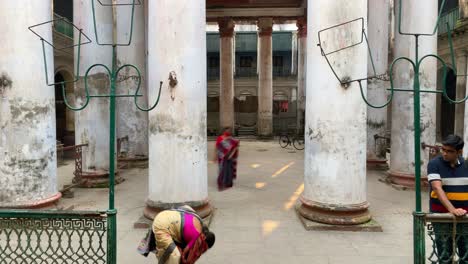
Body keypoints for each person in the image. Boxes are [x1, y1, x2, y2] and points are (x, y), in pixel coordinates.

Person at [428, 134, 468, 263]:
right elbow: (437, 188)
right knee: (445, 254)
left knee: (466, 254)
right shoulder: (434, 164)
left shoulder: (466, 165)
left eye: (449, 151)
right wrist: (453, 210)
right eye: (443, 150)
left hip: (465, 216)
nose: (444, 154)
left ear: (459, 152)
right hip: (441, 216)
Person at [214, 127, 239, 191]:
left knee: (229, 170)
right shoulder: (220, 138)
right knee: (222, 170)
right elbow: (217, 148)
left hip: (229, 157)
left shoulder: (231, 139)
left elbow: (236, 147)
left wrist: (231, 155)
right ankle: (221, 184)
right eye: (227, 130)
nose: (228, 131)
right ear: (224, 131)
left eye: (229, 130)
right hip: (221, 157)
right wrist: (215, 156)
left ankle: (228, 183)